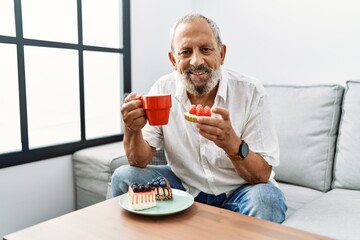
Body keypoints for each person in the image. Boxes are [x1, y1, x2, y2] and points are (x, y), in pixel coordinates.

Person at [111, 13, 287, 223]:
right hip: (183, 187)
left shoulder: (250, 92)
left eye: (205, 49)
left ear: (221, 54)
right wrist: (132, 129)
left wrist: (232, 145)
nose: (196, 61)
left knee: (267, 199)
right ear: (173, 60)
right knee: (124, 176)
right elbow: (138, 160)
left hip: (239, 191)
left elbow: (261, 176)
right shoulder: (162, 89)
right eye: (185, 52)